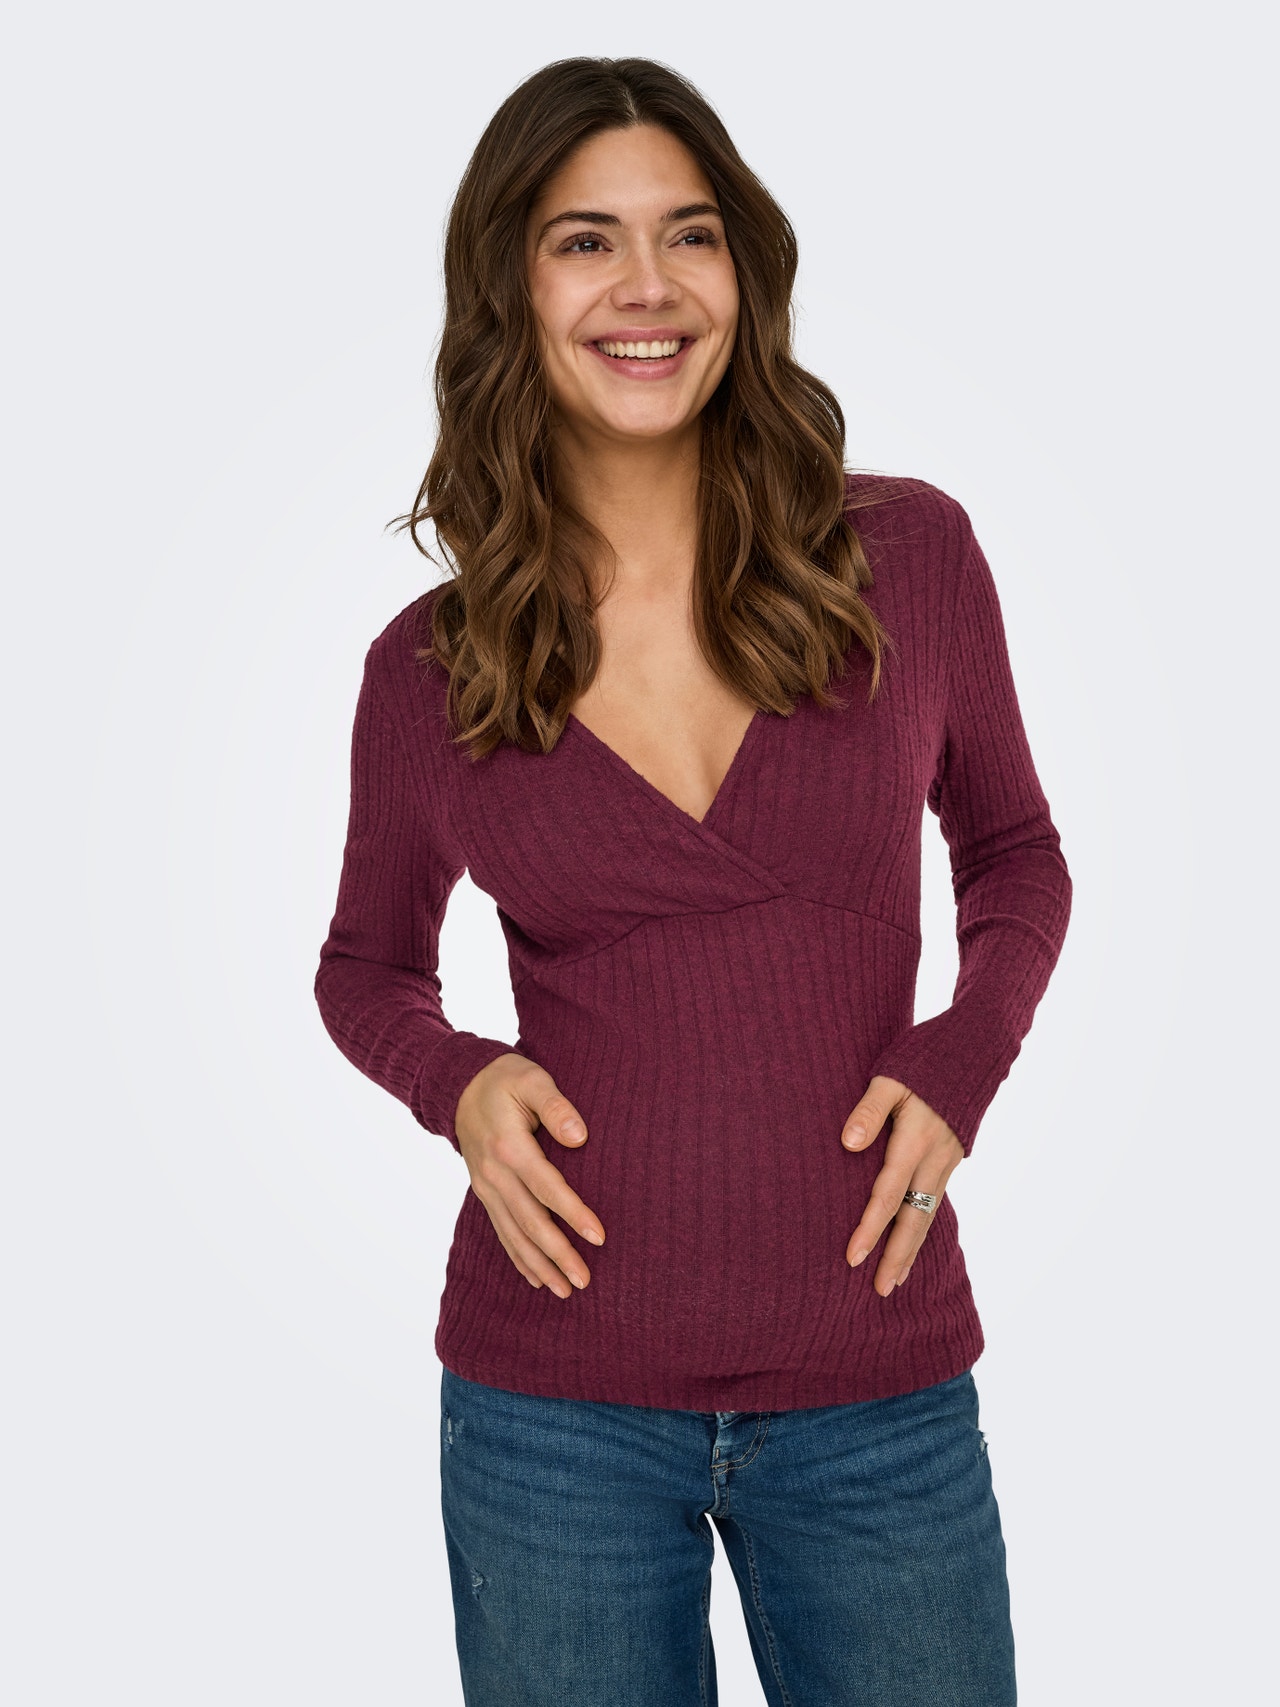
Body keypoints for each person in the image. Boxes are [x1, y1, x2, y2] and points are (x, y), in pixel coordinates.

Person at [314, 55, 1072, 1707]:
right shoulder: (429, 668)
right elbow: (364, 967)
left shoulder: (908, 558)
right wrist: (457, 1082)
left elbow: (1014, 849)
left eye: (691, 233)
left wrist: (967, 1052)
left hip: (877, 1390)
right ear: (512, 287)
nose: (646, 285)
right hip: (552, 1412)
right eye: (586, 240)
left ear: (746, 270)